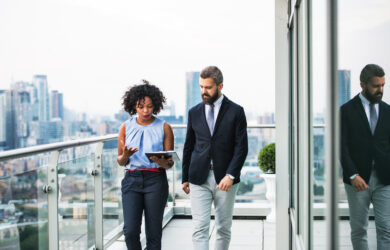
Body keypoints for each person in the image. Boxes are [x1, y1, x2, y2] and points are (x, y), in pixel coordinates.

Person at [182, 66, 248, 250]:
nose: (203, 91)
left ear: (220, 86)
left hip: (225, 179)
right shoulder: (194, 112)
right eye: (201, 87)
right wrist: (185, 177)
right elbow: (189, 146)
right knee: (199, 228)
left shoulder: (236, 111)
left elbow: (241, 148)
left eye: (208, 87)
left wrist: (231, 175)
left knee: (223, 228)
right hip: (198, 177)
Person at [117, 80, 174, 250]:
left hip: (155, 180)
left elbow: (169, 163)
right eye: (141, 106)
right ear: (133, 106)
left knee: (154, 232)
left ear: (155, 105)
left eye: (149, 106)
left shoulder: (164, 127)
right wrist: (125, 156)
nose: (145, 111)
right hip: (132, 180)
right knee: (130, 231)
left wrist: (161, 161)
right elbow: (120, 161)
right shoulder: (125, 127)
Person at [341, 64, 390, 250]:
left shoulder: (388, 111)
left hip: (385, 178)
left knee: (386, 229)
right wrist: (353, 175)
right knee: (359, 229)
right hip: (357, 179)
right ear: (363, 85)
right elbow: (341, 147)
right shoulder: (346, 111)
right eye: (376, 86)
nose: (381, 90)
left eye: (383, 85)